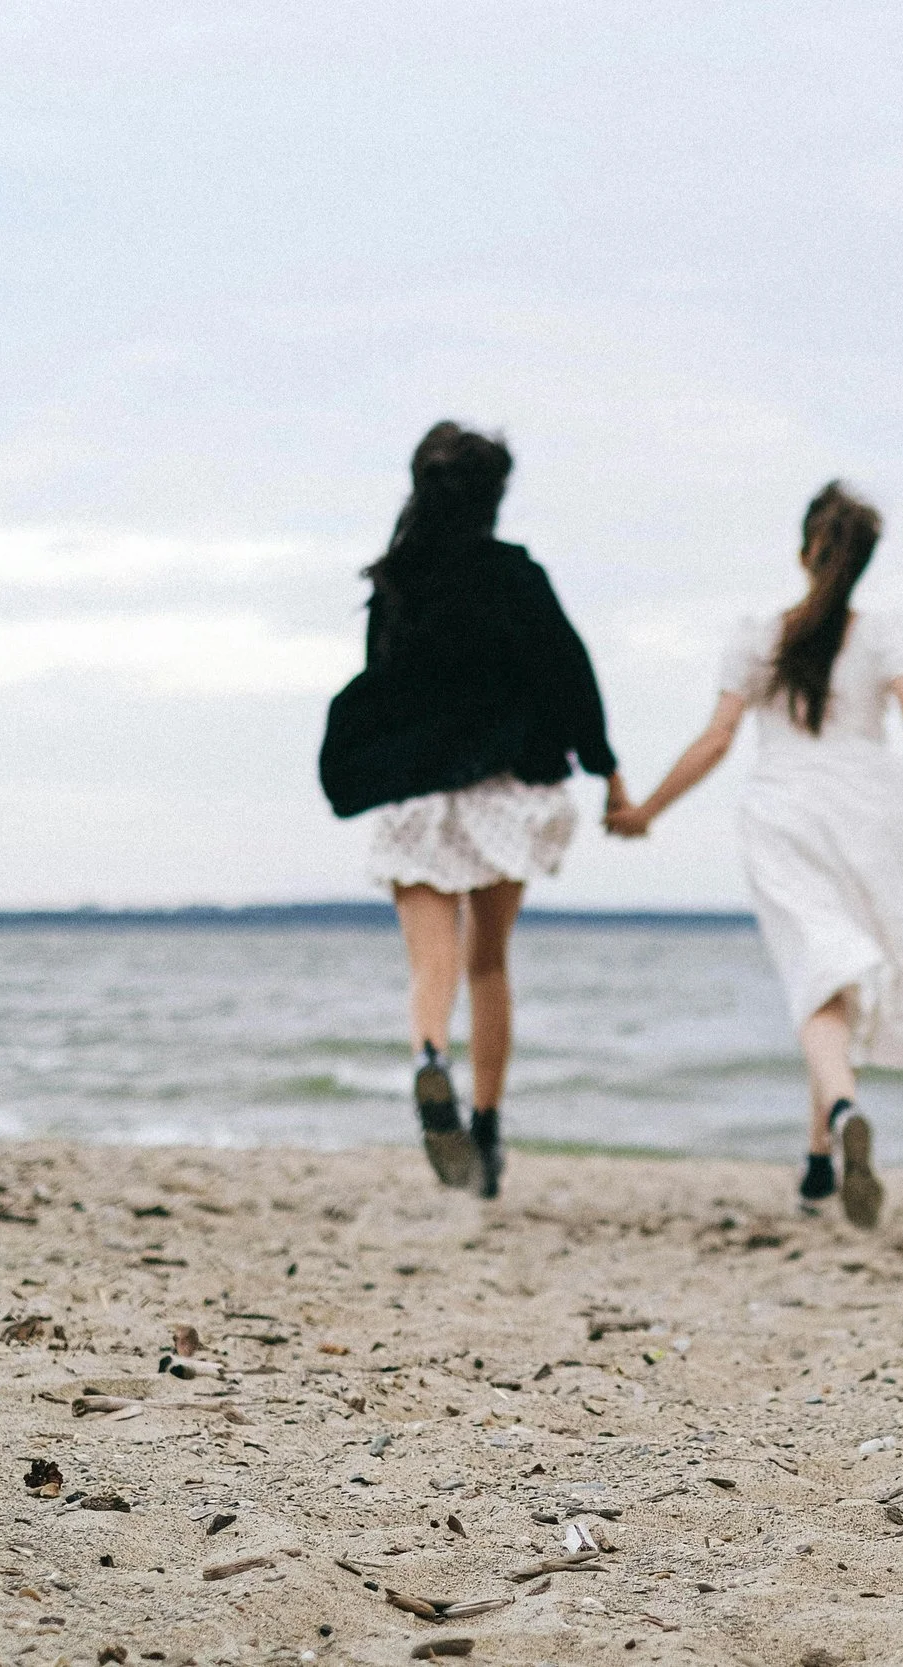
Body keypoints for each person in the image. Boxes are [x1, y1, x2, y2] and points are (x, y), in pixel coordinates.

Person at [605, 481, 903, 1228]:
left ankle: (840, 1116)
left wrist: (646, 812)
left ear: (803, 552)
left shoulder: (758, 635)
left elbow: (716, 738)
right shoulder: (884, 632)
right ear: (862, 565)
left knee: (818, 976)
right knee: (834, 975)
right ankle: (819, 1163)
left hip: (787, 811)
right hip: (873, 810)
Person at [320, 421, 626, 1200]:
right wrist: (607, 771)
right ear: (495, 496)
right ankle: (485, 1132)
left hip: (417, 798)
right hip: (502, 793)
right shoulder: (514, 577)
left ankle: (430, 1061)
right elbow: (569, 672)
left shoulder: (396, 582)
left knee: (433, 964)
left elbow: (381, 691)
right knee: (488, 962)